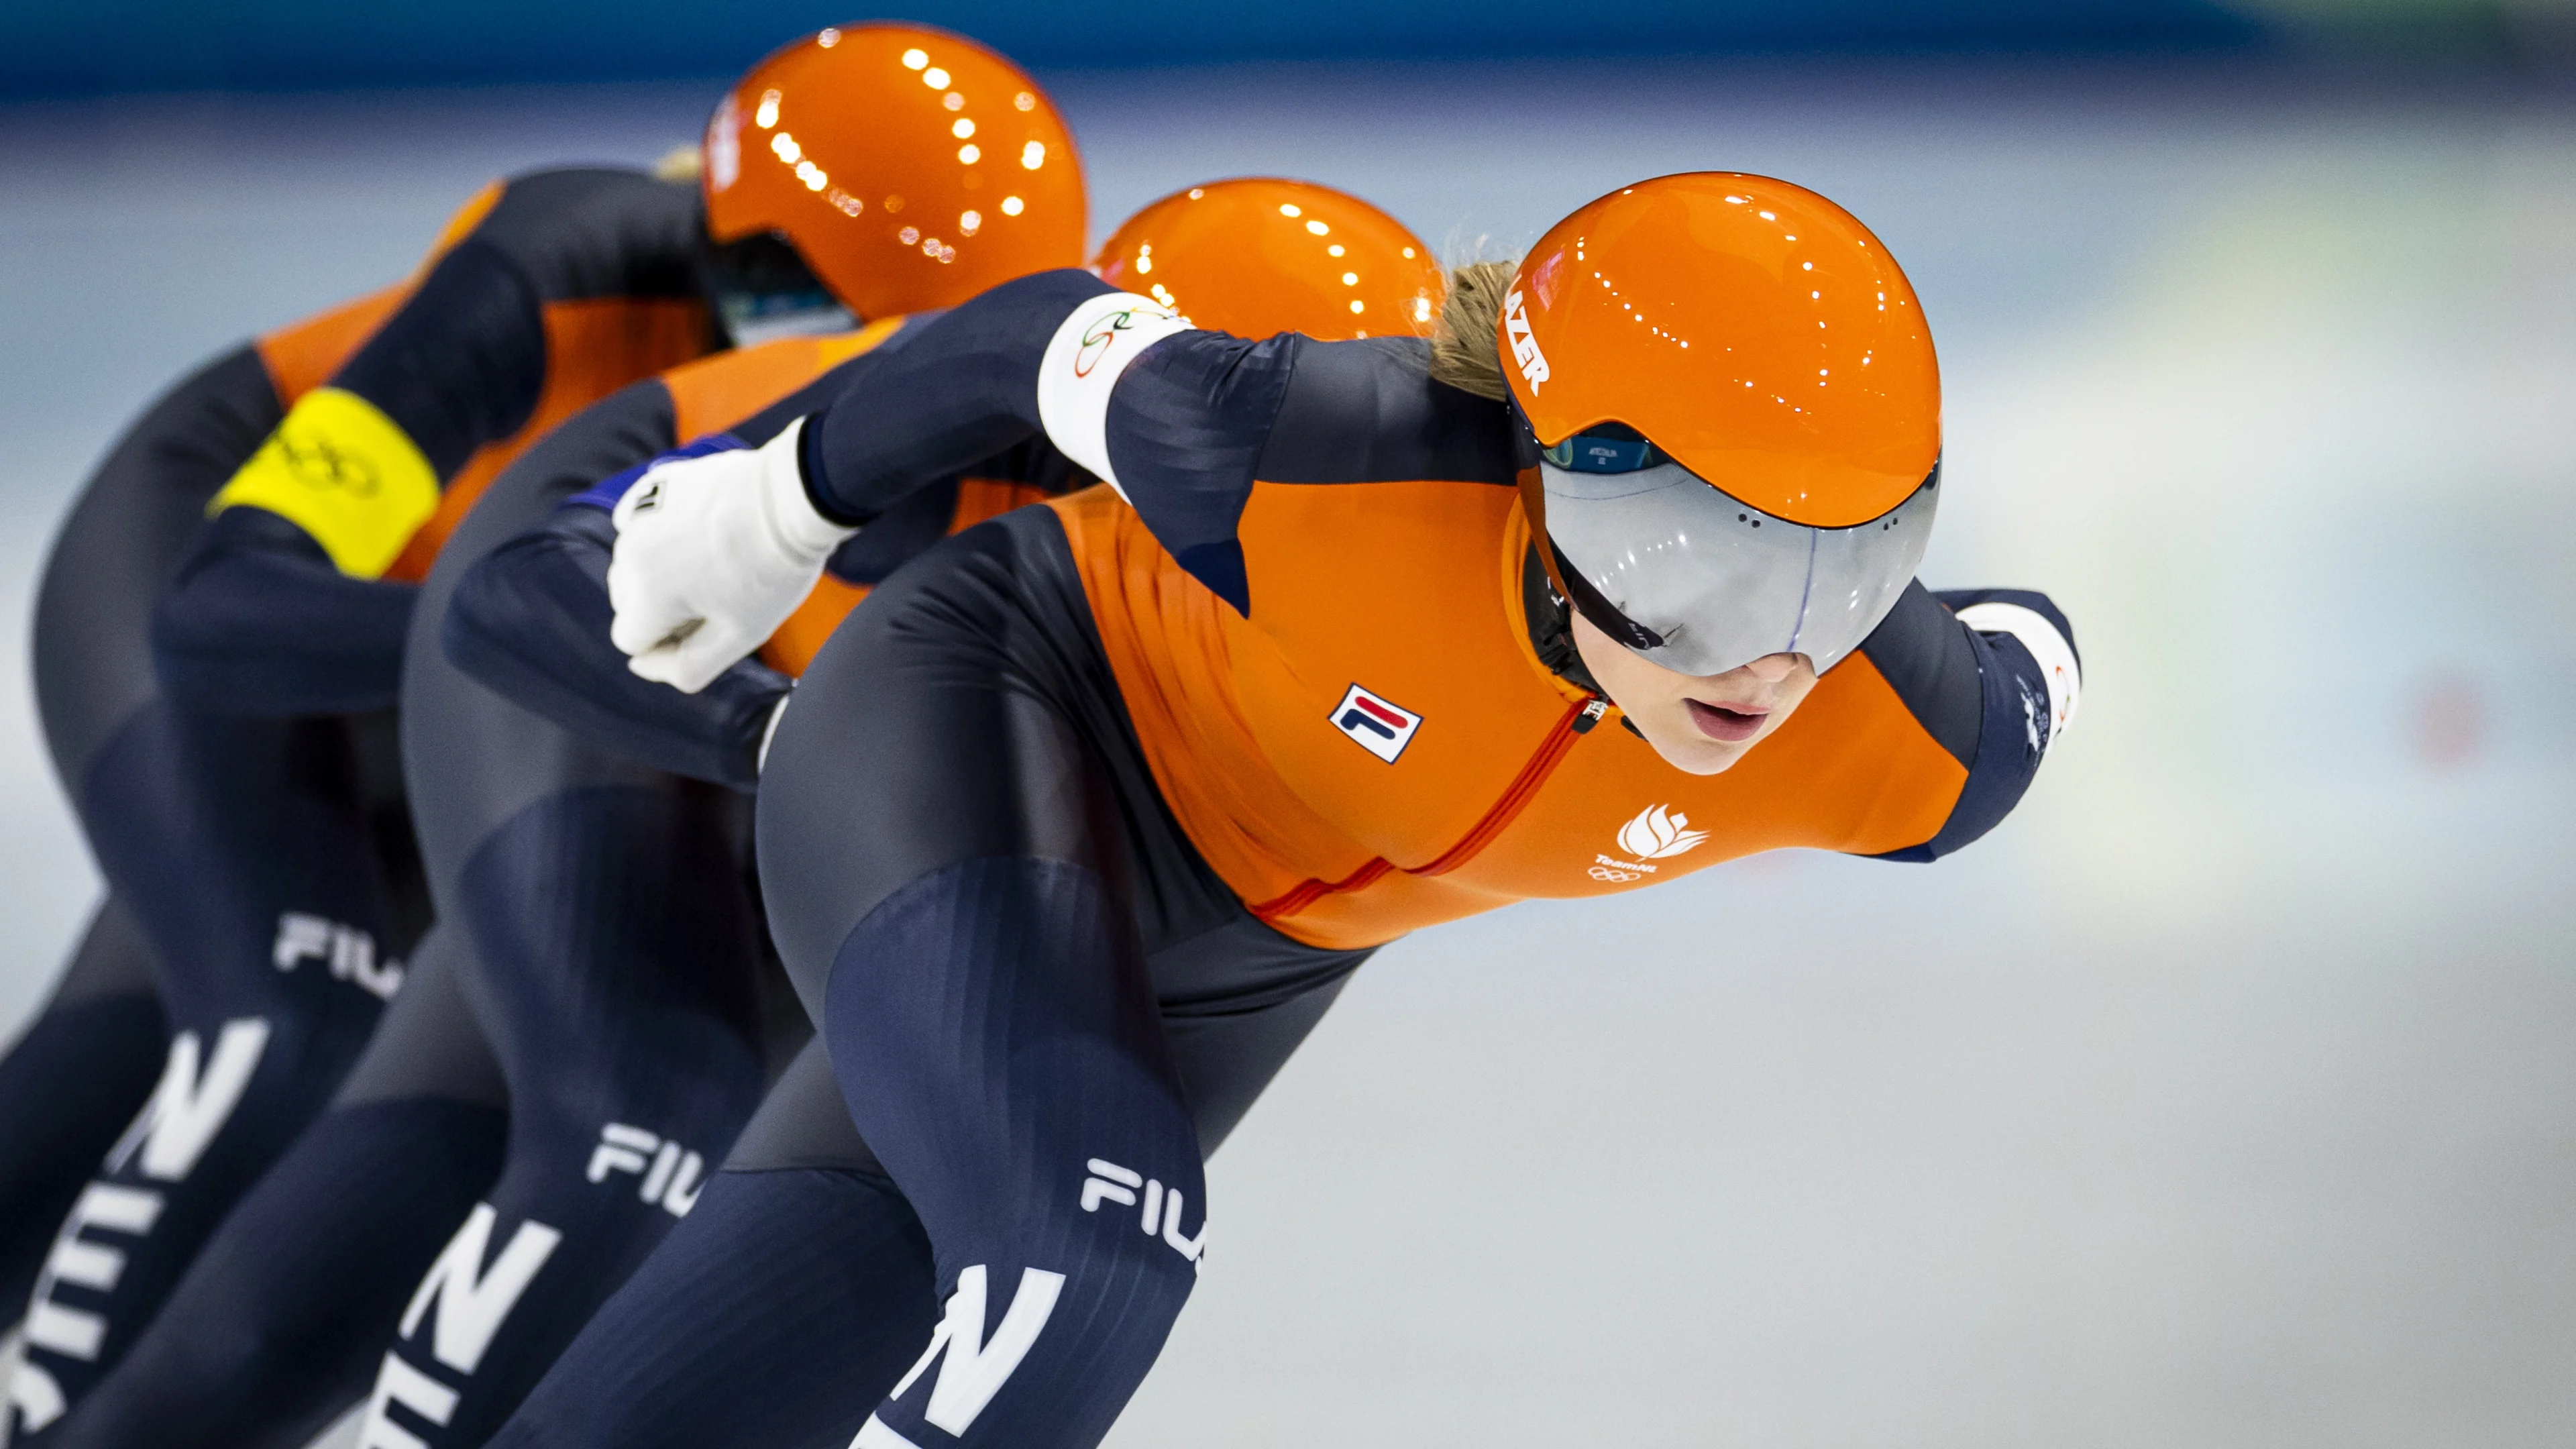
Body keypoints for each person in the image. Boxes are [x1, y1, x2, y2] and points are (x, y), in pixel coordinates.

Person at [551, 169, 2081, 1448]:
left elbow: (2030, 642)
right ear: (1548, 467)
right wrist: (773, 509)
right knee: (1087, 1254)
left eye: (1852, 568)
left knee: (768, 1340)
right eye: (1694, 561)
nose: (1765, 661)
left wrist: (1855, 602)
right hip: (991, 716)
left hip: (1254, 952)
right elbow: (1041, 336)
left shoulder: (1902, 735)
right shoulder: (1331, 455)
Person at [6, 24, 1083, 1446]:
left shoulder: (849, 363)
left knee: (153, 1054)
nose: (883, 388)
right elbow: (220, 605)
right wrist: (570, 652)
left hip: (477, 686)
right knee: (288, 1009)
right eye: (855, 341)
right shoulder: (557, 271)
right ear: (754, 267)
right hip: (215, 606)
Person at [415, 178, 1440, 1448]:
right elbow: (511, 590)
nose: (1279, 532)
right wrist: (776, 730)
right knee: (629, 1129)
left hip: (878, 818)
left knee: (896, 1279)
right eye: (1233, 478)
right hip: (611, 731)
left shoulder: (1388, 556)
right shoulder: (929, 415)